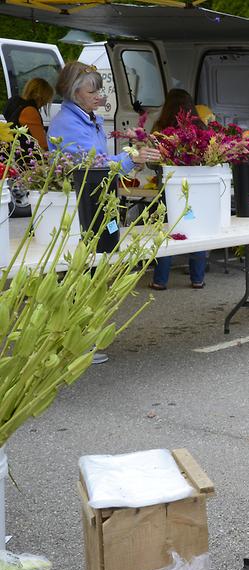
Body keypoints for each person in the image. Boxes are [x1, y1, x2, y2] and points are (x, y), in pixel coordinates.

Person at [48, 62, 161, 365]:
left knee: (102, 267)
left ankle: (87, 337)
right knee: (87, 270)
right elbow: (95, 164)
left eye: (99, 88)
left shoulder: (91, 119)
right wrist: (131, 159)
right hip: (86, 206)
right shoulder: (66, 125)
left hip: (103, 201)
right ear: (74, 93)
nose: (99, 94)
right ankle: (76, 341)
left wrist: (132, 160)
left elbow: (105, 164)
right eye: (92, 89)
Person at [148, 88, 208, 290]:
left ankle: (160, 280)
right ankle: (197, 278)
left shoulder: (160, 127)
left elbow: (151, 163)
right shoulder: (200, 127)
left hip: (167, 188)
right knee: (196, 230)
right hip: (195, 189)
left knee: (167, 230)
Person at [2, 77, 53, 150]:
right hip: (28, 156)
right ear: (41, 97)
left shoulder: (15, 104)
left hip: (15, 152)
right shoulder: (29, 111)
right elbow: (42, 144)